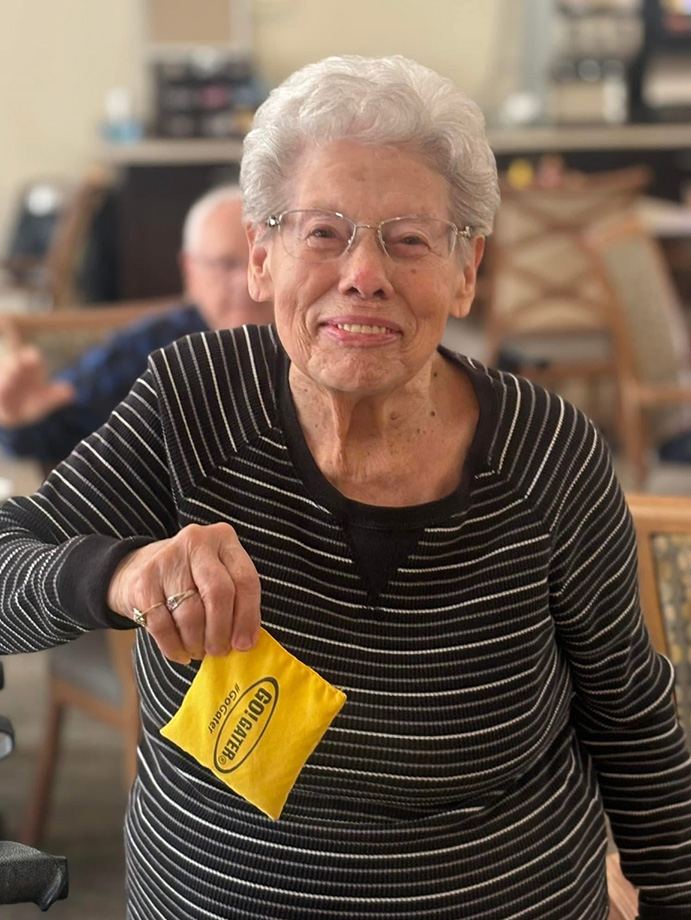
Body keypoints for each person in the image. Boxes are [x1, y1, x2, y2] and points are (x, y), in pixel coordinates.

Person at [0, 55, 689, 920]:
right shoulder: (193, 401)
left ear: (466, 270)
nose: (363, 273)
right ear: (261, 257)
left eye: (409, 239)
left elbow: (629, 715)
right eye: (323, 232)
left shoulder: (548, 455)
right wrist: (120, 573)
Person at [0, 185, 273, 467]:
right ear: (189, 270)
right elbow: (58, 428)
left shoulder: (301, 344)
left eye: (263, 260)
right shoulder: (148, 346)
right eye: (227, 264)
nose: (247, 281)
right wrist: (16, 420)